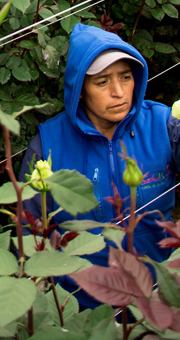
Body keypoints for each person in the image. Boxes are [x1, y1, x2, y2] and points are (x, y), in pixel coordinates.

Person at [19, 22, 180, 310]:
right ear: (79, 89)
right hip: (82, 308)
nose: (119, 92)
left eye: (126, 77)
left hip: (159, 298)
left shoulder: (163, 125)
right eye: (102, 82)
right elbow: (28, 232)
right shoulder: (47, 146)